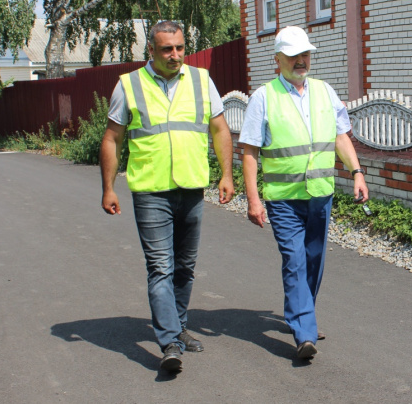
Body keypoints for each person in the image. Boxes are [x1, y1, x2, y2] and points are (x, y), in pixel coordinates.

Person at [99, 20, 234, 373]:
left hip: (191, 187)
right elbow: (112, 138)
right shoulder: (129, 85)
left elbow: (219, 128)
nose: (175, 55)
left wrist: (226, 174)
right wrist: (109, 187)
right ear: (152, 52)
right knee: (160, 266)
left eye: (179, 47)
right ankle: (170, 341)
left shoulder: (202, 80)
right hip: (151, 190)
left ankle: (180, 325)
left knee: (184, 267)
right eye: (166, 49)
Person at [240, 26, 368, 360]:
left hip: (320, 194)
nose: (301, 60)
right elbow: (250, 152)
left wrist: (356, 173)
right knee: (295, 261)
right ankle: (305, 333)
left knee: (314, 260)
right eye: (294, 55)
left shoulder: (326, 92)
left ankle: (301, 314)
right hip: (283, 197)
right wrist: (253, 199)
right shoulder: (263, 98)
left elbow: (341, 137)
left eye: (305, 54)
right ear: (277, 60)